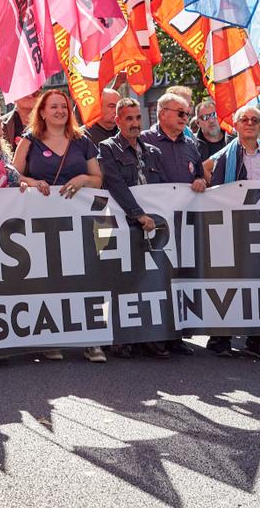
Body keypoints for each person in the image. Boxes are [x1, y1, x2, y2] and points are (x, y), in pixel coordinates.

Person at [13, 89, 104, 363]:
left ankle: (93, 340)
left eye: (63, 107)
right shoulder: (29, 141)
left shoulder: (82, 141)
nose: (60, 112)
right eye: (53, 107)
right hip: (41, 221)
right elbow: (13, 173)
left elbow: (97, 178)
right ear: (42, 112)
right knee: (48, 278)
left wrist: (82, 179)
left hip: (80, 221)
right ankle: (50, 338)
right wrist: (31, 182)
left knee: (85, 277)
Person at [205, 105, 260, 359]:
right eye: (244, 120)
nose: (249, 123)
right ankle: (220, 337)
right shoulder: (224, 157)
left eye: (255, 120)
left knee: (259, 281)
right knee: (228, 281)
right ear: (236, 126)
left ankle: (256, 337)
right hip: (231, 225)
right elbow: (206, 173)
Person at [140, 92, 207, 356]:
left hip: (182, 225)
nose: (185, 119)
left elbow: (200, 176)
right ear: (163, 112)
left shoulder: (190, 145)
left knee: (179, 278)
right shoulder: (143, 141)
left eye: (187, 114)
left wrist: (202, 181)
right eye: (181, 113)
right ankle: (154, 336)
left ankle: (176, 335)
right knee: (155, 278)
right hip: (151, 224)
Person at [97, 98, 164, 359]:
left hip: (149, 227)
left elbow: (163, 190)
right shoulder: (107, 148)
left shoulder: (153, 152)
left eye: (138, 118)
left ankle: (147, 337)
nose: (135, 123)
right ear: (117, 121)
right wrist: (138, 215)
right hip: (116, 225)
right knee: (118, 281)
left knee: (146, 281)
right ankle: (119, 338)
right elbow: (115, 184)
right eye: (128, 118)